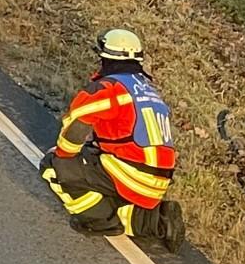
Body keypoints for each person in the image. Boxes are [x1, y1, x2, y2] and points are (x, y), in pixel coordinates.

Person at [41, 29, 184, 249]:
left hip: (130, 172)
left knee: (54, 167)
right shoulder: (148, 90)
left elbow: (76, 128)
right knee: (98, 164)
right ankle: (157, 222)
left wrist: (63, 157)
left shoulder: (108, 88)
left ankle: (99, 222)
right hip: (157, 179)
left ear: (106, 58)